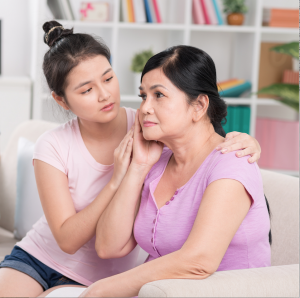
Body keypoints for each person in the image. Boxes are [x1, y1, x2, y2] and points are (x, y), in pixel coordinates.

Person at [0, 21, 262, 297]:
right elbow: (72, 239)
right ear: (61, 100)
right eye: (87, 90)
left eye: (109, 78)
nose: (104, 94)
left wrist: (247, 141)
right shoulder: (56, 144)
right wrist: (119, 178)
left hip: (105, 278)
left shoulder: (149, 127)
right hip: (39, 256)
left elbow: (201, 134)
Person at [75, 45, 269, 297]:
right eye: (144, 95)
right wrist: (138, 167)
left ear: (199, 106)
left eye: (159, 95)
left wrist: (103, 289)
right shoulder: (158, 160)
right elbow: (108, 246)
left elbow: (199, 261)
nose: (144, 108)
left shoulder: (232, 161)